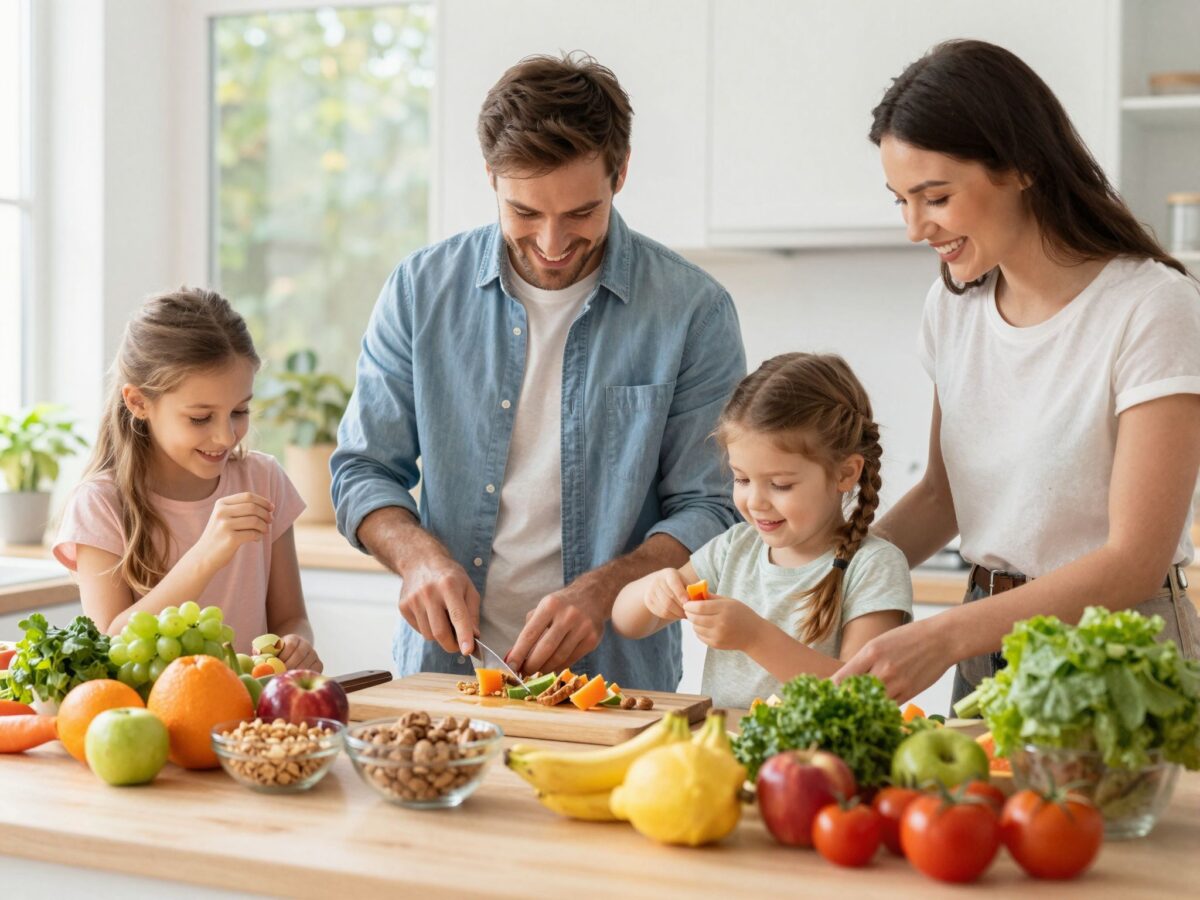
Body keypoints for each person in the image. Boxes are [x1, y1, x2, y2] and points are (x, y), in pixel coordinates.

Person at [331, 53, 746, 690]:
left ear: (621, 174)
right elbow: (362, 471)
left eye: (581, 213)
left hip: (615, 684)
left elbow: (710, 507)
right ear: (491, 178)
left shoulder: (694, 311)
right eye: (525, 212)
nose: (552, 243)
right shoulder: (420, 290)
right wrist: (416, 557)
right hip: (445, 677)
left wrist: (605, 591)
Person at [833, 39, 1200, 706]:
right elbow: (946, 497)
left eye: (935, 196)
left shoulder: (1153, 306)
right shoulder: (952, 307)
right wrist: (826, 577)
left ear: (1023, 166)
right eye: (901, 201)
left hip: (1114, 649)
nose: (917, 228)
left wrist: (945, 636)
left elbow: (1134, 559)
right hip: (988, 645)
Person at [613, 353, 913, 709]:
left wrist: (755, 637)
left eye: (780, 485)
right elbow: (625, 621)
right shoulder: (734, 549)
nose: (755, 501)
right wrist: (654, 591)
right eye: (741, 479)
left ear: (846, 474)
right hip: (724, 753)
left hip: (822, 762)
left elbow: (862, 695)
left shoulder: (874, 566)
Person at [53, 288, 321, 671]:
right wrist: (206, 554)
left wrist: (297, 644)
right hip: (153, 725)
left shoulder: (264, 480)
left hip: (248, 723)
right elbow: (110, 646)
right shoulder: (100, 504)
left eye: (240, 411)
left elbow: (291, 618)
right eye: (200, 418)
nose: (226, 437)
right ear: (139, 402)